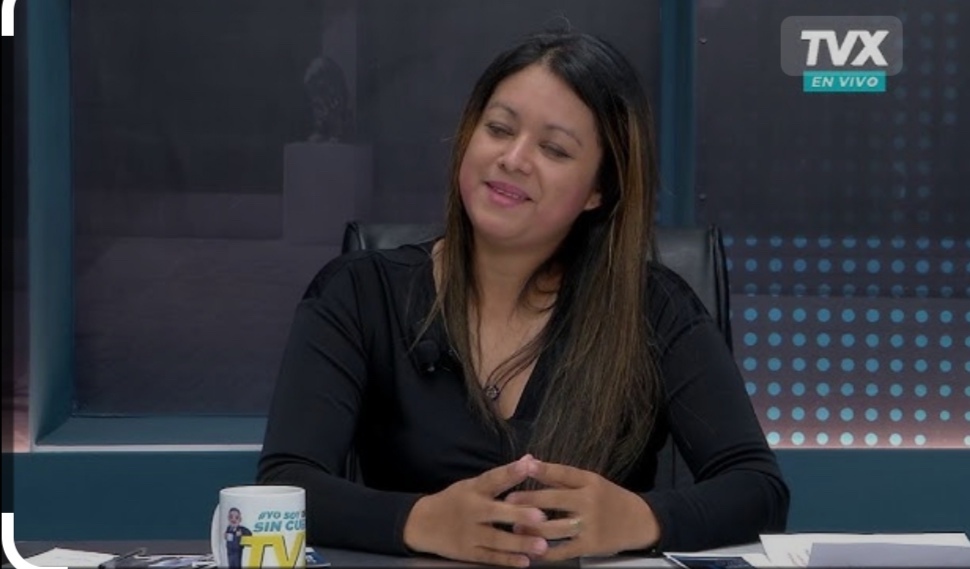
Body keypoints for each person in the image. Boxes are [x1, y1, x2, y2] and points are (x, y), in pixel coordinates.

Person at [257, 30, 789, 567]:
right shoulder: (359, 292)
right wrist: (418, 521)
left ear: (599, 190)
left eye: (554, 149)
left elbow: (757, 490)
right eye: (498, 129)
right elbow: (286, 484)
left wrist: (640, 519)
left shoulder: (653, 308)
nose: (513, 159)